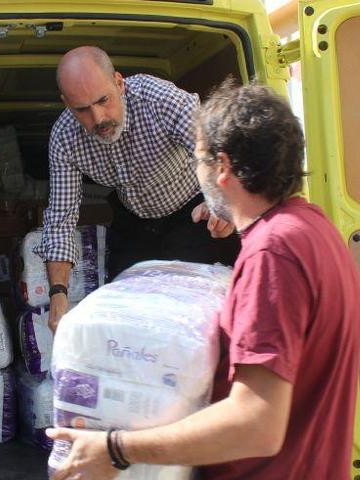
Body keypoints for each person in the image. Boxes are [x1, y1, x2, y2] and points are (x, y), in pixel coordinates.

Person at [46, 81, 360, 480]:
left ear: (223, 168)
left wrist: (116, 448)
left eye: (197, 160)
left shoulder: (272, 255)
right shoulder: (314, 229)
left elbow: (257, 424)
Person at [35, 46, 241, 332]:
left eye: (103, 100)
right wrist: (58, 294)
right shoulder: (64, 137)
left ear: (119, 83)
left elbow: (216, 150)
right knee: (130, 316)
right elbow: (60, 219)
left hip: (192, 214)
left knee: (194, 313)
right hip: (132, 221)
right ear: (66, 104)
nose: (98, 119)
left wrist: (222, 203)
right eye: (82, 109)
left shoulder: (158, 99)